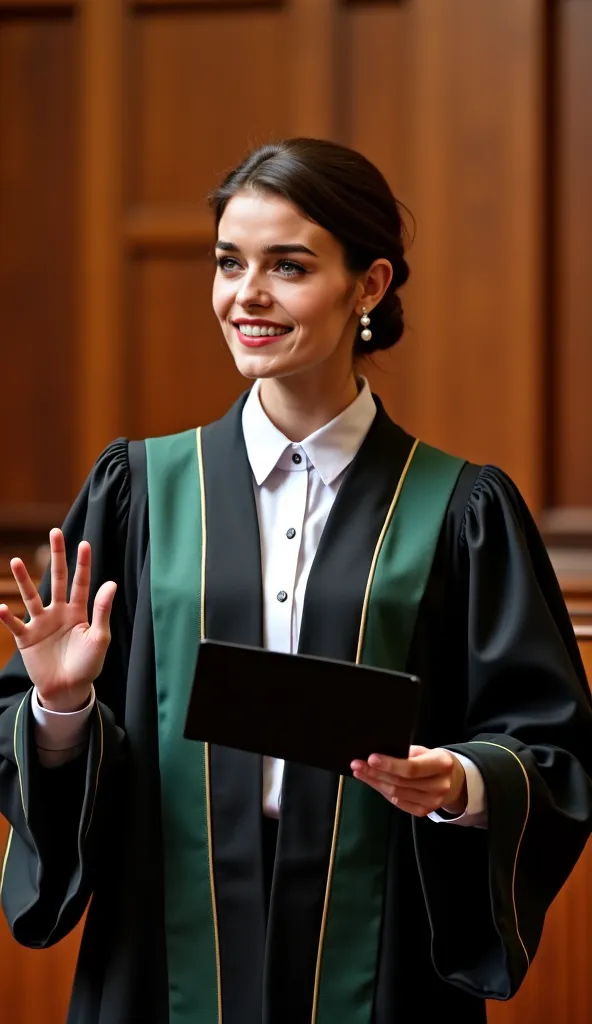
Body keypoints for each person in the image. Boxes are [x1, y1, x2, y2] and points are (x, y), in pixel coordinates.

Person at [0, 138, 591, 1024]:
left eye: (289, 266)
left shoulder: (460, 510)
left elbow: (552, 747)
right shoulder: (141, 494)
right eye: (229, 263)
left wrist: (460, 782)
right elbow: (45, 747)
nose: (248, 295)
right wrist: (60, 708)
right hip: (166, 943)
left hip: (379, 947)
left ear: (370, 285)